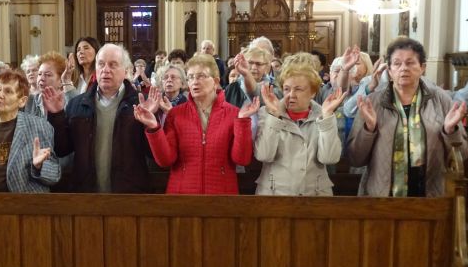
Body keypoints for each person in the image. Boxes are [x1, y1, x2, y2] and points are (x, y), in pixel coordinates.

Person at [347, 37, 468, 197]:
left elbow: (463, 155)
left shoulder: (441, 100)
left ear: (422, 67)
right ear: (389, 70)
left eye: (410, 63)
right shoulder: (373, 102)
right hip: (381, 197)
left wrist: (450, 131)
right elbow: (355, 159)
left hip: (431, 196)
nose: (404, 68)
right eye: (397, 63)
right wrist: (369, 129)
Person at [134, 54, 259, 194]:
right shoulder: (176, 114)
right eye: (191, 77)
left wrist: (242, 122)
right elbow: (165, 160)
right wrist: (153, 127)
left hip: (222, 195)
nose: (194, 82)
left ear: (216, 82)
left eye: (201, 76)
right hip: (182, 194)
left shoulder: (234, 113)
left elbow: (241, 159)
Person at [43, 44, 152, 193]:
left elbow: (151, 154)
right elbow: (62, 149)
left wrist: (151, 125)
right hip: (87, 195)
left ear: (126, 70)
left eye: (113, 65)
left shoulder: (140, 104)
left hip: (129, 194)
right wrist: (56, 116)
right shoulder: (78, 103)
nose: (106, 69)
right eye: (101, 64)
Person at [255, 53, 345, 196]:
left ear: (313, 92)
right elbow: (264, 155)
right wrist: (274, 117)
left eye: (298, 89)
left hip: (314, 197)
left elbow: (329, 158)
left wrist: (327, 117)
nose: (291, 94)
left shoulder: (323, 116)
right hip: (274, 196)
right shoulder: (267, 113)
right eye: (286, 89)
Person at [25, 51, 66, 117]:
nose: (42, 78)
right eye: (39, 74)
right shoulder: (29, 101)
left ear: (61, 80)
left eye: (48, 75)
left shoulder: (69, 102)